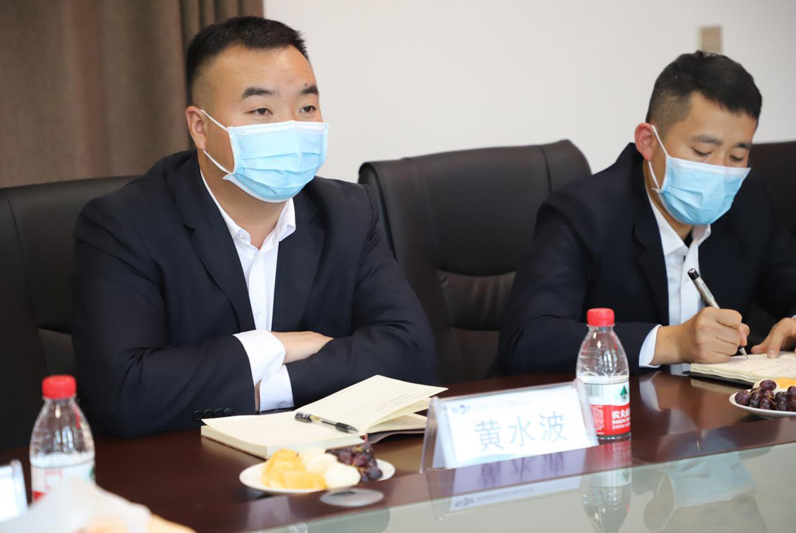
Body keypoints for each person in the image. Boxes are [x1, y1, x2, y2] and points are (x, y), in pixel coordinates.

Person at [72, 17, 436, 437]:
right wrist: (273, 346)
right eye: (262, 110)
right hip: (189, 466)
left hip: (320, 461)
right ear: (200, 127)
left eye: (306, 108)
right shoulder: (124, 225)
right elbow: (125, 392)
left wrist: (271, 385)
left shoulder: (347, 211)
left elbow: (412, 355)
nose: (292, 127)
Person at [500, 51, 796, 374]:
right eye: (703, 152)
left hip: (715, 404)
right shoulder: (583, 214)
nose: (720, 172)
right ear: (648, 141)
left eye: (737, 157)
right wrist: (672, 343)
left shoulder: (749, 199)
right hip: (619, 403)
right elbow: (528, 339)